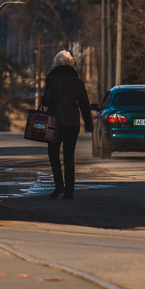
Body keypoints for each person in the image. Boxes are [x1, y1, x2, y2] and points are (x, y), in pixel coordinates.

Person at [40, 49, 93, 200]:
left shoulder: (52, 79)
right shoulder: (77, 81)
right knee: (69, 156)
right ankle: (69, 191)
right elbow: (84, 104)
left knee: (53, 154)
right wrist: (88, 124)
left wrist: (46, 98)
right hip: (72, 123)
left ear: (57, 64)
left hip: (55, 122)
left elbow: (47, 101)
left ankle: (59, 186)